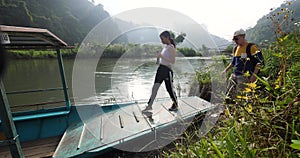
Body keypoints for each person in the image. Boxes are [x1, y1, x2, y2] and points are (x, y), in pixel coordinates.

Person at [222, 29, 264, 102]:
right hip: (234, 75)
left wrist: (254, 75)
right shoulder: (235, 49)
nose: (235, 41)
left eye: (237, 39)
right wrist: (225, 70)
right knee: (229, 94)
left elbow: (260, 62)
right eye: (234, 39)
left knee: (241, 97)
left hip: (244, 77)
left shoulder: (252, 47)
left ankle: (240, 110)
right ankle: (229, 108)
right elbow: (233, 63)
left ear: (243, 37)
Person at [143, 31, 178, 112]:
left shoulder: (171, 47)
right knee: (154, 88)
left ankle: (175, 104)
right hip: (160, 69)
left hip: (167, 71)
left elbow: (172, 61)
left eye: (162, 39)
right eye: (160, 39)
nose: (161, 41)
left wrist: (161, 56)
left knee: (169, 89)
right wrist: (158, 57)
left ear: (167, 38)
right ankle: (149, 106)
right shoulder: (165, 47)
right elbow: (159, 62)